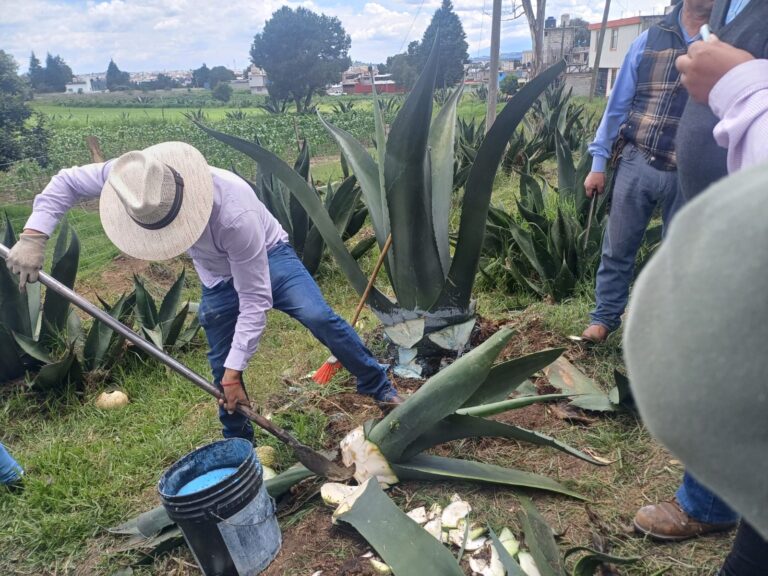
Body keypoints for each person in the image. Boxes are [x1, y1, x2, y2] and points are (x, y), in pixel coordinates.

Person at [5, 142, 403, 442]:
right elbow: (67, 180)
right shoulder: (136, 178)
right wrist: (34, 234)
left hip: (269, 257)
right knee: (218, 362)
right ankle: (239, 444)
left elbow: (255, 300)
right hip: (216, 277)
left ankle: (378, 386)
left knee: (318, 317)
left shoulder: (235, 213)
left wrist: (239, 369)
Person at [630, 0, 768, 542]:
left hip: (749, 232)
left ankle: (712, 504)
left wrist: (740, 86)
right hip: (713, 209)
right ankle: (720, 500)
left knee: (736, 358)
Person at [580, 0, 713, 344]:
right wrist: (598, 164)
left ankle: (667, 332)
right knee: (617, 246)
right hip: (638, 159)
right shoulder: (649, 40)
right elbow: (616, 106)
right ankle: (604, 319)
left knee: (681, 257)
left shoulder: (728, 43)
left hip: (692, 172)